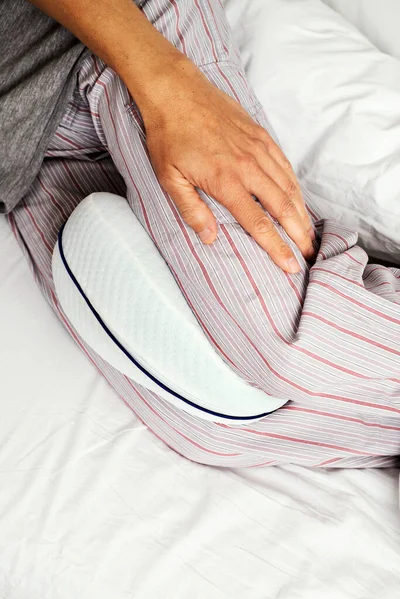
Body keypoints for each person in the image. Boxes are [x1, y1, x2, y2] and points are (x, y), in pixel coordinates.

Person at [2, 0, 400, 468]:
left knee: (284, 352)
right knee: (214, 425)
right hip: (28, 156)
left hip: (112, 43)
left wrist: (161, 78)